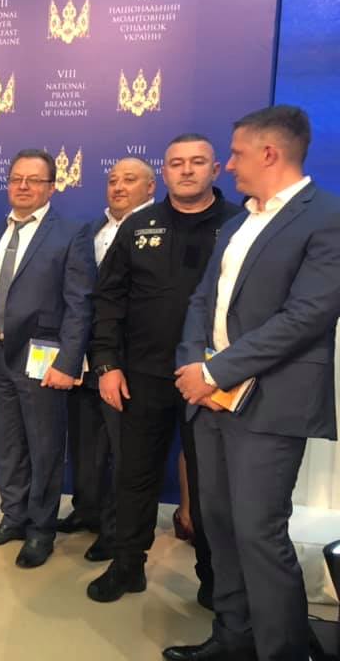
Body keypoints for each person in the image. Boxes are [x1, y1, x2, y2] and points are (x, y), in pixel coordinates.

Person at [165, 106, 340, 661]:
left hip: (270, 403)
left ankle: (281, 650)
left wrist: (215, 372)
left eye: (237, 153)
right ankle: (233, 637)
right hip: (210, 400)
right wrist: (194, 367)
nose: (230, 163)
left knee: (259, 532)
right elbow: (203, 300)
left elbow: (306, 316)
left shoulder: (327, 217)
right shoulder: (240, 221)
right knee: (218, 524)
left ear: (269, 153)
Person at [87, 134, 241, 605]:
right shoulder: (140, 225)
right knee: (134, 475)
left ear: (215, 169)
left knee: (211, 485)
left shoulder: (239, 224)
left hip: (213, 379)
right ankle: (127, 565)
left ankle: (213, 578)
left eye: (197, 162)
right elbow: (108, 299)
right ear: (165, 172)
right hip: (143, 374)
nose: (187, 170)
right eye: (177, 163)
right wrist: (107, 364)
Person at [0, 150, 94, 567]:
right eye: (16, 178)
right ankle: (14, 518)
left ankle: (41, 530)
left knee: (44, 448)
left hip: (43, 359)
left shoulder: (71, 233)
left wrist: (68, 363)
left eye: (34, 180)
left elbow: (79, 305)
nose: (23, 186)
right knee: (9, 445)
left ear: (52, 187)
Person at [58, 157, 155, 562]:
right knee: (87, 443)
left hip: (126, 360)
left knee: (122, 450)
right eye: (113, 179)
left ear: (150, 187)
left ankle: (116, 532)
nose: (118, 187)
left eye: (129, 180)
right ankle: (88, 511)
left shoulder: (156, 231)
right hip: (83, 355)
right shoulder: (92, 229)